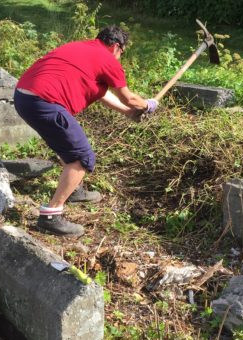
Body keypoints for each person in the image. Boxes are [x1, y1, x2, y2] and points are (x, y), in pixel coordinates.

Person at [14, 25, 158, 236]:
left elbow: (100, 93)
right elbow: (129, 98)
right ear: (117, 46)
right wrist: (147, 105)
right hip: (44, 101)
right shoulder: (108, 59)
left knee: (69, 146)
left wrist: (128, 113)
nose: (120, 58)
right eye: (122, 53)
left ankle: (73, 189)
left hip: (24, 97)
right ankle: (50, 216)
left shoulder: (82, 48)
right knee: (81, 157)